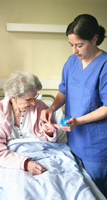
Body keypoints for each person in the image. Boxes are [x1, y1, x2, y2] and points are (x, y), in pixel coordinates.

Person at [41, 14, 107, 198]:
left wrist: (78, 120)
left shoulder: (105, 66)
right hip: (74, 138)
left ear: (94, 39)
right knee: (79, 187)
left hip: (96, 143)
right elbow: (63, 91)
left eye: (79, 45)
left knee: (97, 191)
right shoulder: (71, 62)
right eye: (71, 45)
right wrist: (51, 108)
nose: (74, 51)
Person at [0, 71, 57, 175]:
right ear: (13, 97)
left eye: (35, 97)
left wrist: (49, 133)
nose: (33, 103)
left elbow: (50, 142)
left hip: (42, 155)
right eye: (28, 99)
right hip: (10, 161)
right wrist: (26, 164)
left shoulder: (41, 107)